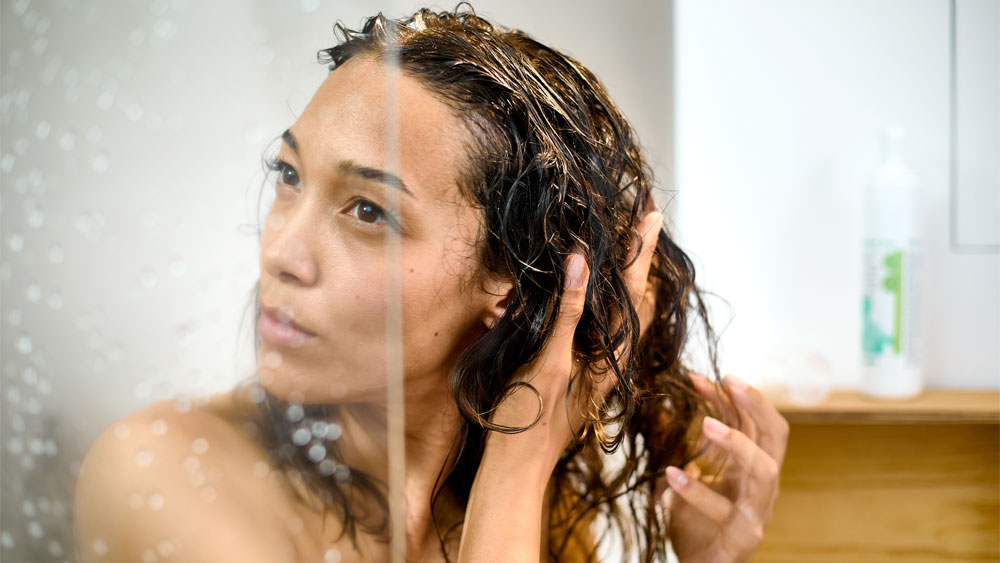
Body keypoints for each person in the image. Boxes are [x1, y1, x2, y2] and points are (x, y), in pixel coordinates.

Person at [74, 6, 788, 562]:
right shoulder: (164, 471)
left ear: (507, 283)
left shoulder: (520, 511)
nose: (281, 251)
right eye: (288, 176)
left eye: (367, 210)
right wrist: (524, 450)